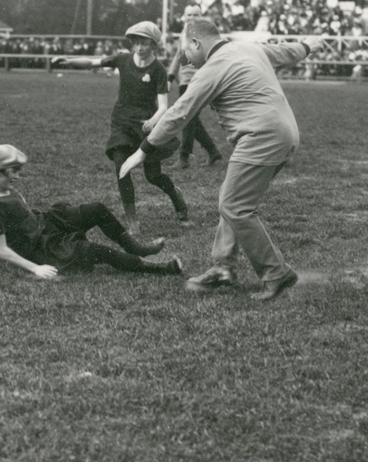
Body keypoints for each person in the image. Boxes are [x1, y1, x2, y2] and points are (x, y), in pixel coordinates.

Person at [118, 17, 323, 302]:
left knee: (234, 206)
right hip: (284, 133)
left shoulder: (212, 68)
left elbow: (179, 114)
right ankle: (223, 267)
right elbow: (285, 51)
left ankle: (276, 273)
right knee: (233, 200)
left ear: (196, 43)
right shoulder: (246, 47)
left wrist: (143, 151)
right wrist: (307, 45)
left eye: (185, 51)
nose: (185, 58)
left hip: (261, 137)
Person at [0, 144, 182, 279]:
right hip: (38, 246)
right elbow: (1, 250)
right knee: (94, 250)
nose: (18, 178)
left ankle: (136, 248)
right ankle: (160, 269)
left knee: (96, 209)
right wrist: (35, 268)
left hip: (45, 223)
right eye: (13, 172)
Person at [56, 21, 188, 231]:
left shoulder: (158, 70)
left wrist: (153, 121)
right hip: (121, 123)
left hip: (146, 126)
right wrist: (69, 61)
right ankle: (131, 218)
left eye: (144, 43)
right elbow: (93, 63)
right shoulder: (122, 59)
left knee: (153, 176)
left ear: (153, 45)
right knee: (121, 167)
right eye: (136, 42)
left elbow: (163, 106)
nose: (139, 47)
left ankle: (175, 195)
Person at [167, 6, 224, 170]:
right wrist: (170, 77)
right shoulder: (184, 35)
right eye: (189, 15)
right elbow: (178, 56)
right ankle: (213, 152)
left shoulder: (207, 34)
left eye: (195, 15)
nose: (192, 17)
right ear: (184, 16)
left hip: (201, 79)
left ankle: (184, 157)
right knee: (191, 119)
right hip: (185, 81)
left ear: (202, 16)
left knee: (187, 117)